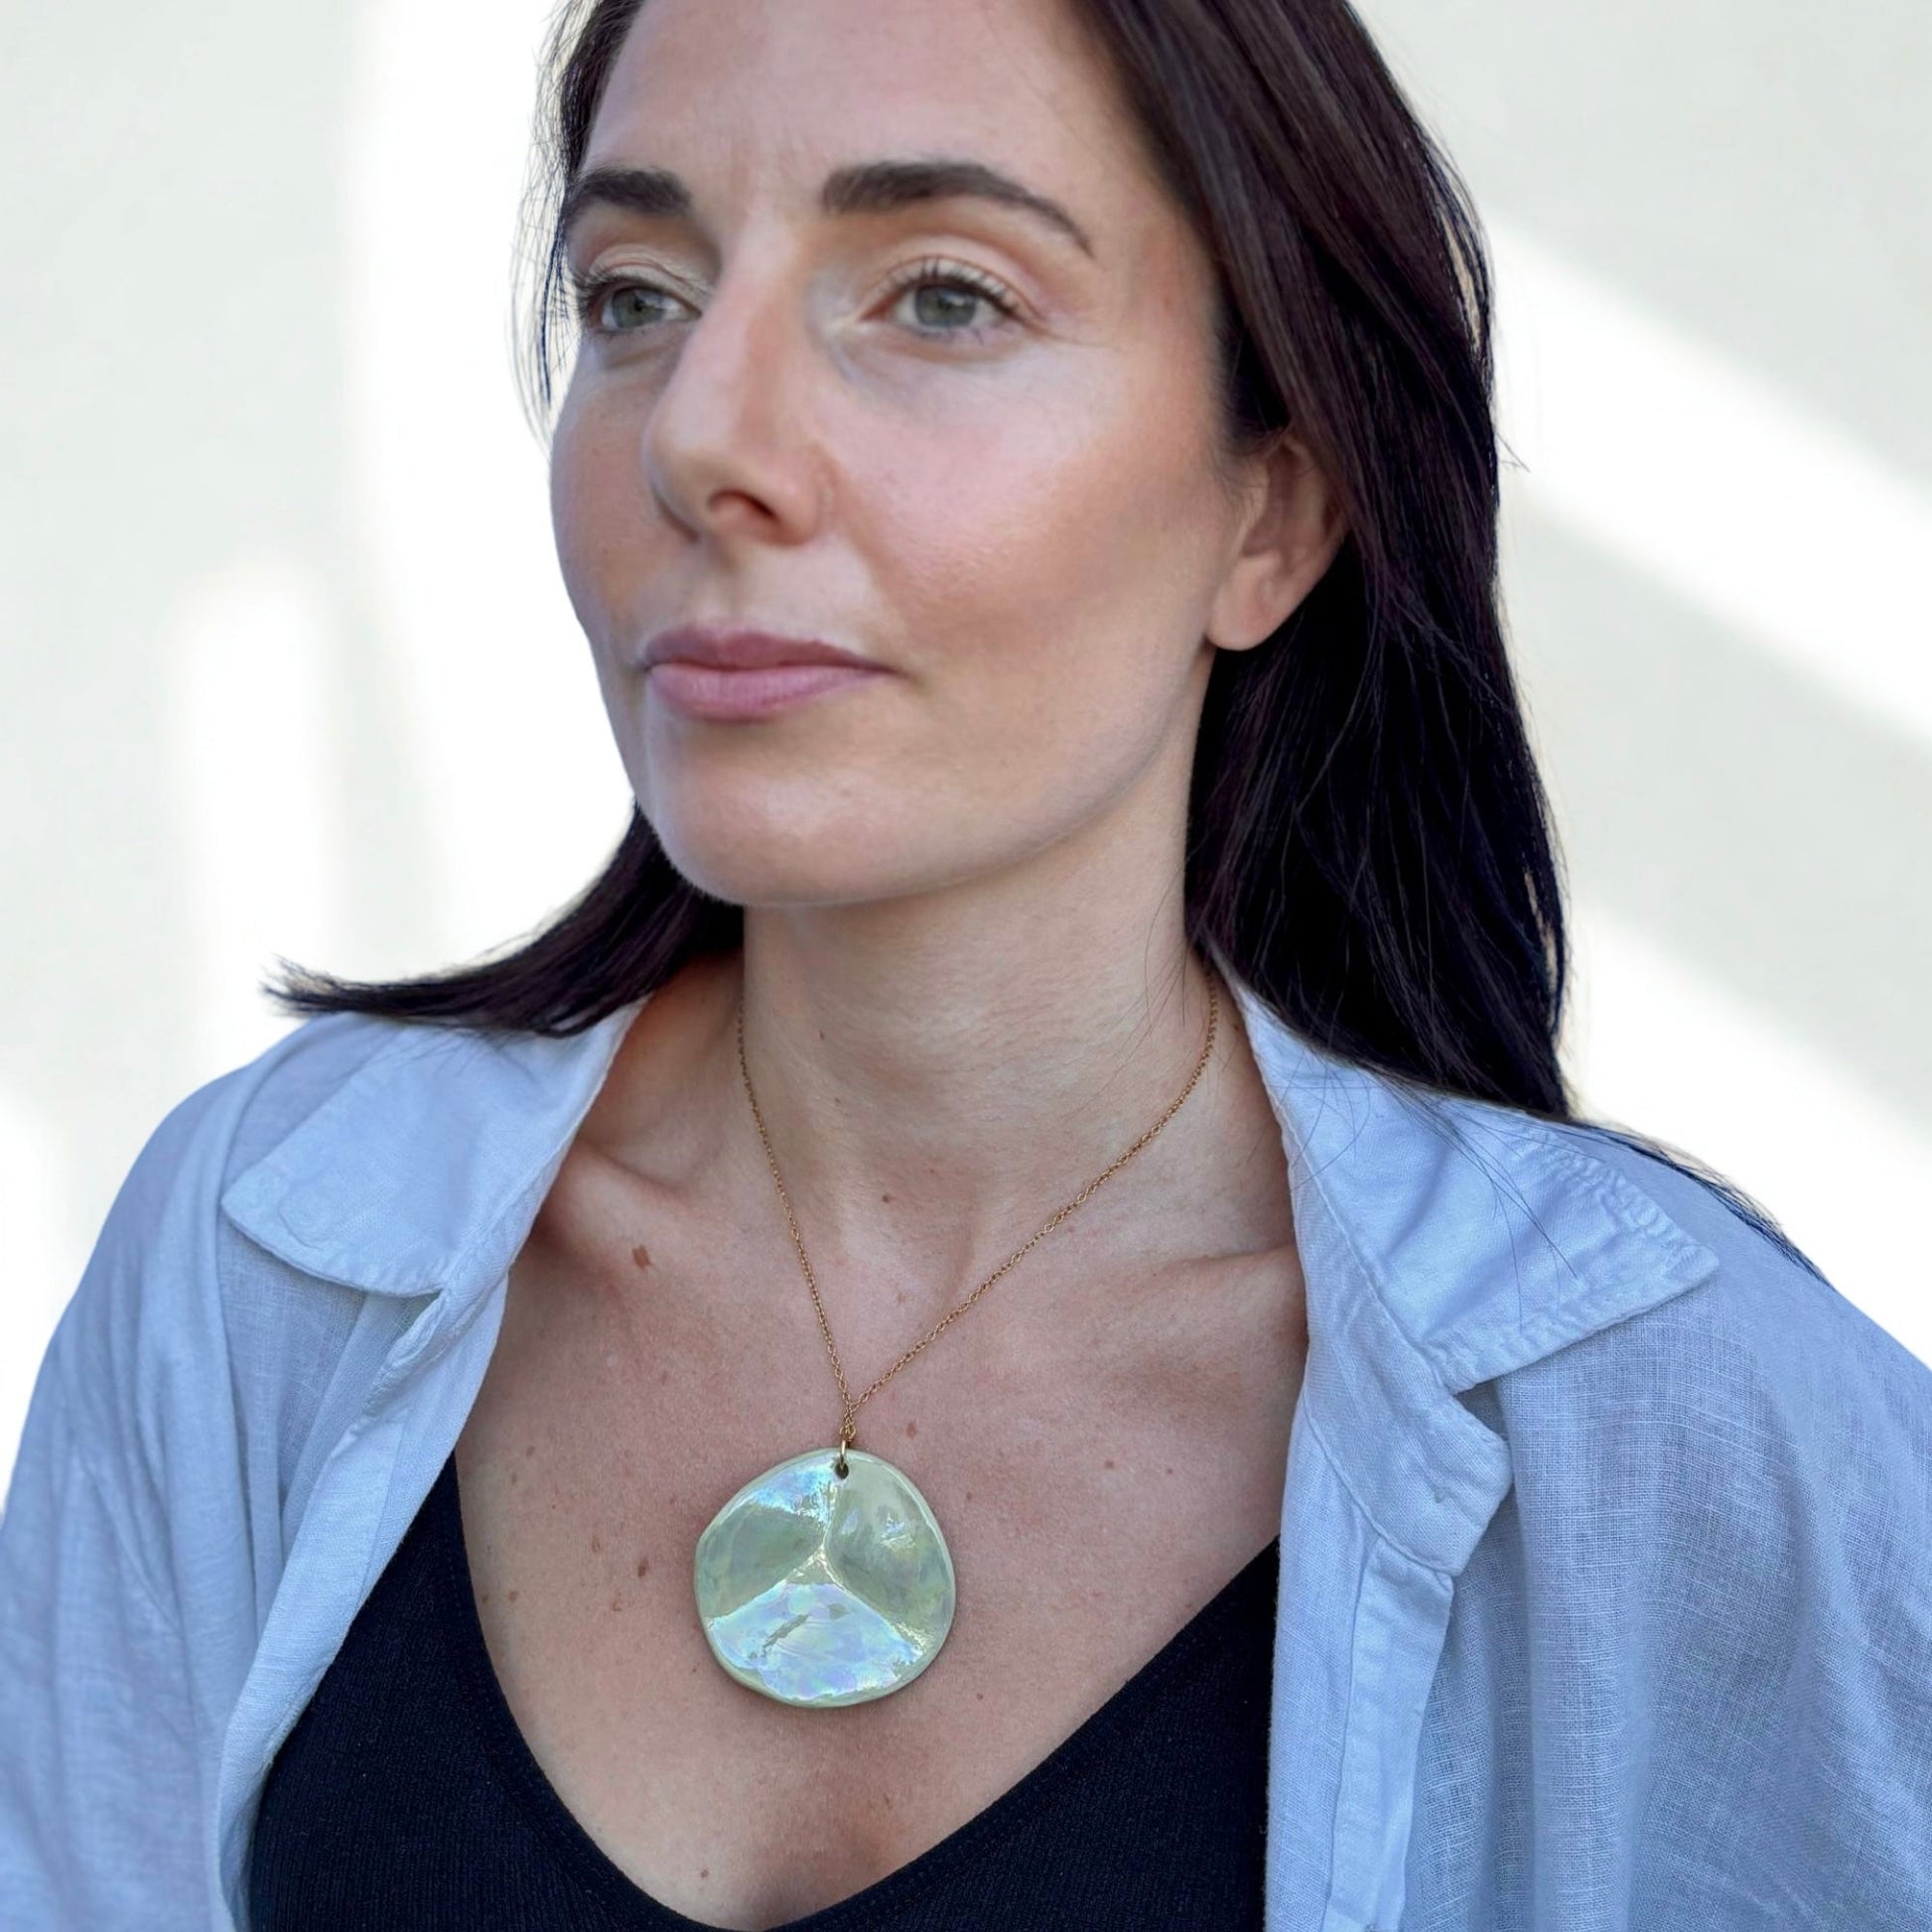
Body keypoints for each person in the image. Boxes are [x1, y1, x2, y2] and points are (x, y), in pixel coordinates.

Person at [4, 0, 1930, 1925]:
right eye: (633, 295)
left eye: (936, 298)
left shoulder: (1699, 1448)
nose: (703, 437)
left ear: (1273, 508)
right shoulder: (258, 1259)